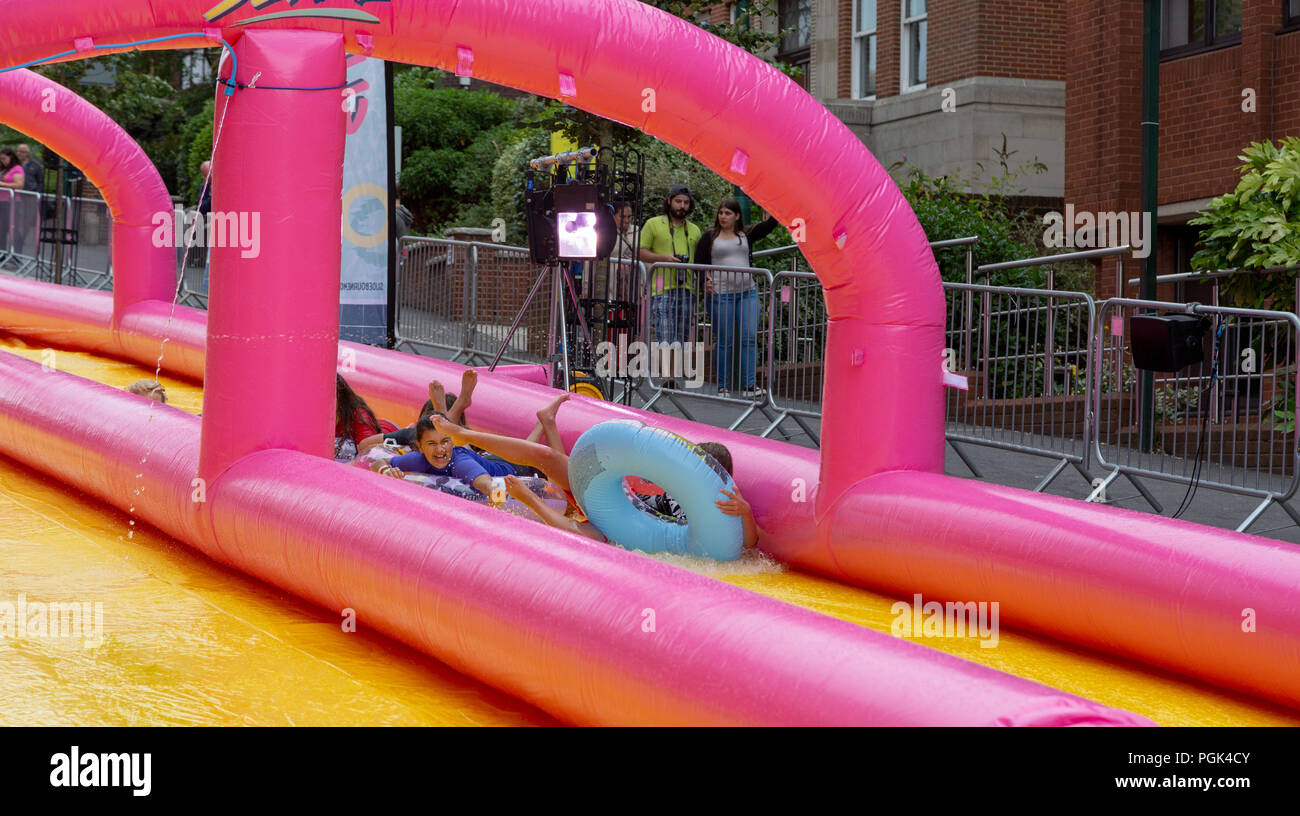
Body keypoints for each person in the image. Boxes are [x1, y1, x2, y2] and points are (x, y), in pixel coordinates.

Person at [695, 199, 779, 399]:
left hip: (747, 293)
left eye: (728, 213)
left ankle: (749, 385)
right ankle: (722, 385)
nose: (723, 216)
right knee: (725, 340)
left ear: (737, 216)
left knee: (749, 337)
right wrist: (703, 281)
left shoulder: (746, 234)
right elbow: (698, 263)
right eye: (721, 213)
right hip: (720, 294)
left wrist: (769, 205)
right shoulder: (709, 237)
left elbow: (770, 225)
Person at [639, 184, 701, 389]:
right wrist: (663, 258)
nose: (682, 206)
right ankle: (666, 378)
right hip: (661, 286)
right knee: (665, 332)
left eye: (685, 202)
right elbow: (640, 252)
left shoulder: (694, 229)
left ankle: (672, 375)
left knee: (681, 335)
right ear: (669, 201)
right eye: (678, 201)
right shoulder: (653, 224)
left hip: (687, 288)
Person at [335, 374, 397, 459]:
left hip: (389, 432)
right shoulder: (314, 416)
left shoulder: (359, 415)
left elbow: (370, 456)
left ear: (340, 395)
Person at [14, 144, 42, 256]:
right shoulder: (15, 165)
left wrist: (38, 194)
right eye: (18, 151)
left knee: (28, 220)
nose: (19, 154)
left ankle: (22, 238)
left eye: (22, 151)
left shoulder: (35, 165)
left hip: (30, 197)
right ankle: (17, 239)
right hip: (17, 196)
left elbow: (40, 181)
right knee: (17, 218)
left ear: (27, 153)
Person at [0, 148, 25, 259]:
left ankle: (16, 254)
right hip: (2, 201)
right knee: (1, 229)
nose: (3, 161)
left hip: (11, 202)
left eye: (4, 159)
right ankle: (2, 253)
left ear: (11, 157)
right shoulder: (4, 169)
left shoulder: (17, 169)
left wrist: (2, 184)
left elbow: (19, 185)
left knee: (11, 228)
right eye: (1, 159)